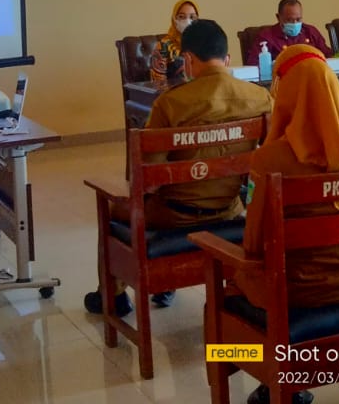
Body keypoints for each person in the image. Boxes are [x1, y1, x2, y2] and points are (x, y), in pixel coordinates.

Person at [86, 19, 272, 316]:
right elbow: (268, 161)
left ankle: (114, 297)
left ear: (186, 60)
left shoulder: (170, 104)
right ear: (227, 59)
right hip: (229, 209)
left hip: (174, 216)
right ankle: (163, 287)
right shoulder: (261, 98)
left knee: (112, 209)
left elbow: (148, 180)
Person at [237, 44, 339, 309]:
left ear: (287, 94)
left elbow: (254, 245)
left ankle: (244, 354)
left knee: (227, 286)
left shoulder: (268, 160)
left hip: (292, 291)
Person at [254, 0, 333, 57]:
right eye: (289, 20)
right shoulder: (266, 37)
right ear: (278, 17)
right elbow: (254, 66)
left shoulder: (310, 31)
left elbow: (328, 56)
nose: (295, 23)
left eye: (298, 19)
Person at [150, 0, 200, 83]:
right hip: (174, 94)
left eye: (192, 17)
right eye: (181, 17)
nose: (188, 21)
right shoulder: (164, 46)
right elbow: (158, 83)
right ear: (174, 19)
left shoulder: (202, 43)